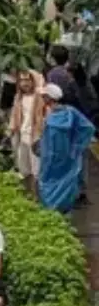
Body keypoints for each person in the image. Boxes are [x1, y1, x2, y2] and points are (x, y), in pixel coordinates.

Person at [36, 83, 96, 213]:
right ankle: (61, 211)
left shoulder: (52, 114)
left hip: (54, 156)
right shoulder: (70, 112)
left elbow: (88, 128)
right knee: (65, 182)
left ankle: (52, 211)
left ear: (49, 98)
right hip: (65, 155)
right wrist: (77, 147)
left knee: (49, 182)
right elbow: (87, 128)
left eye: (44, 96)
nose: (42, 98)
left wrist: (76, 147)